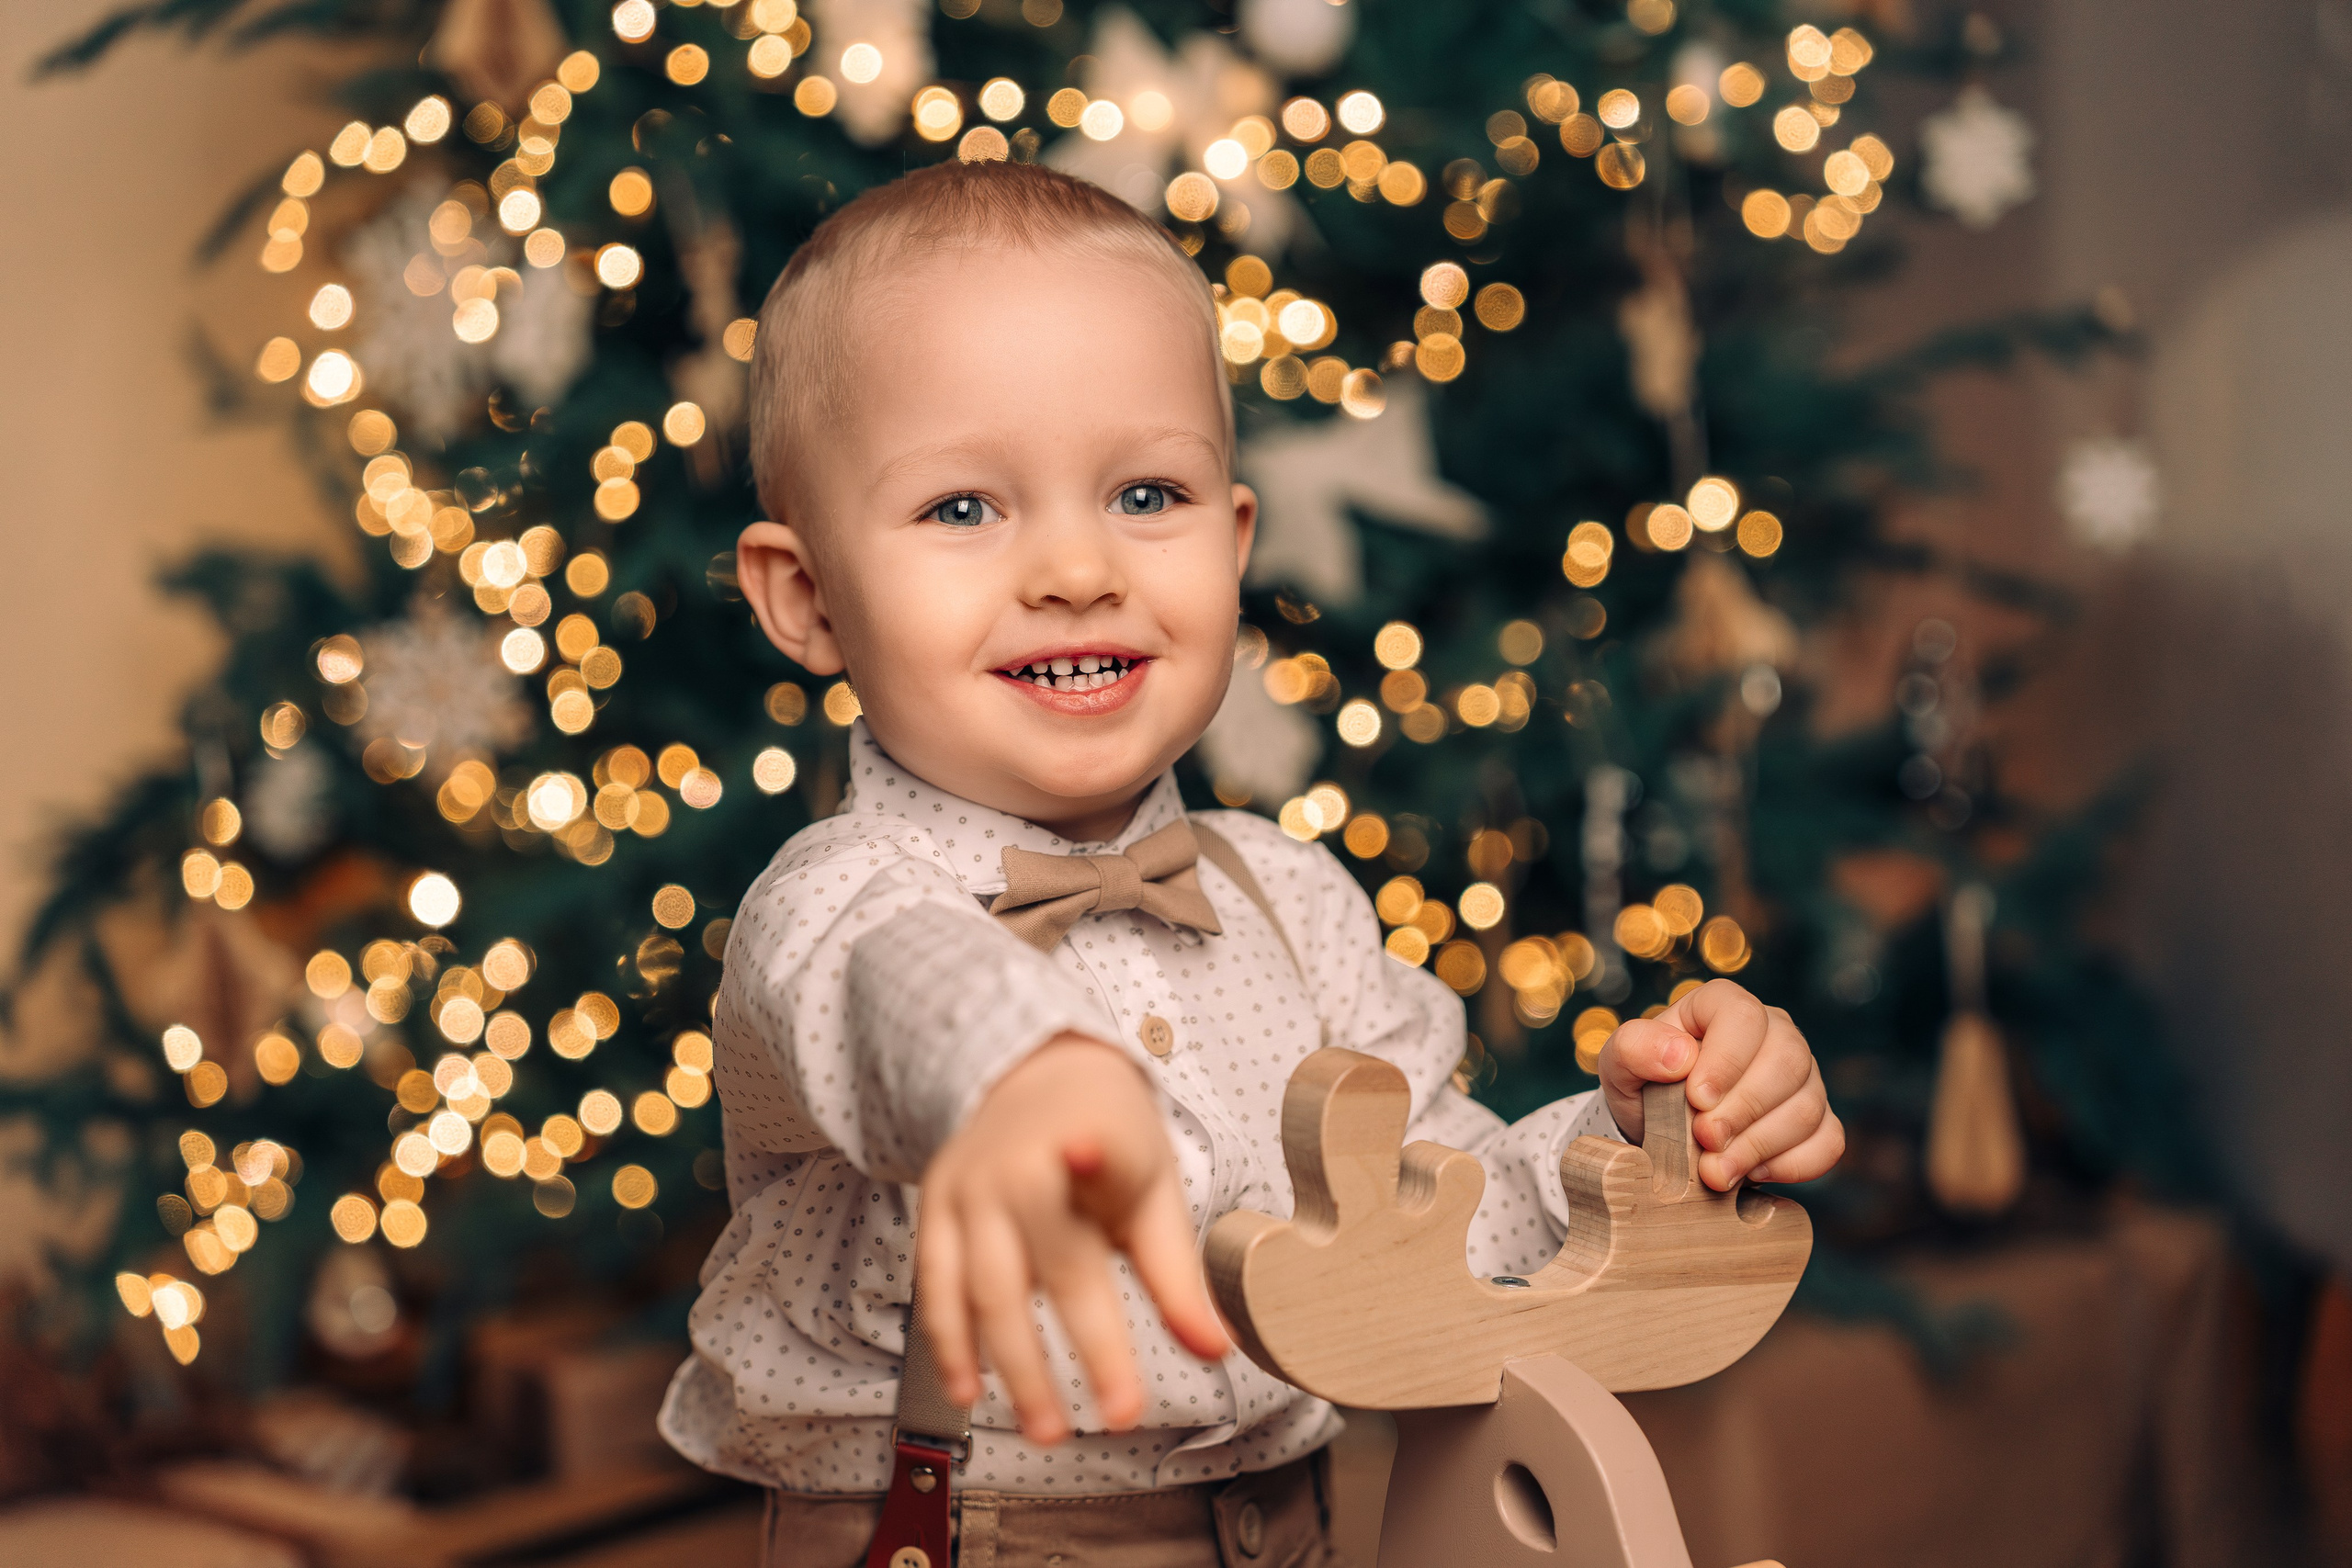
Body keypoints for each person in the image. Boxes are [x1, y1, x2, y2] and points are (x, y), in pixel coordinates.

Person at [657, 159, 1844, 1568]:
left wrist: (1648, 1140)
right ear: (807, 599)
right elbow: (896, 997)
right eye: (965, 509)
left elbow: (1440, 1222)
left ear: (1230, 544)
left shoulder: (1291, 906)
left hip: (1293, 1529)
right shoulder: (840, 897)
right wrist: (1020, 1070)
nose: (1078, 569)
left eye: (1144, 493)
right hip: (971, 1539)